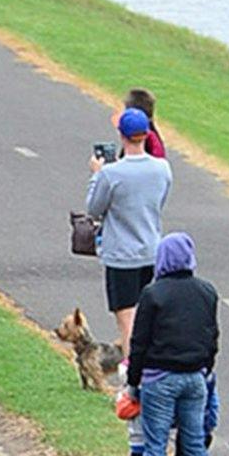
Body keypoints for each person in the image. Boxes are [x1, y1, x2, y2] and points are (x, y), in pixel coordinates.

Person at [122, 232, 219, 456]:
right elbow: (212, 337)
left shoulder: (153, 294)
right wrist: (205, 368)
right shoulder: (207, 292)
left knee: (155, 445)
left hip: (160, 378)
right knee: (193, 445)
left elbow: (139, 342)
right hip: (194, 378)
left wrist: (133, 382)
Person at [84, 110, 173, 358]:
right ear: (146, 135)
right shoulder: (162, 169)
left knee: (127, 322)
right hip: (151, 251)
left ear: (122, 136)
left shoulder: (111, 174)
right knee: (146, 317)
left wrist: (96, 175)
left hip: (121, 254)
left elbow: (93, 209)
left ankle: (134, 378)